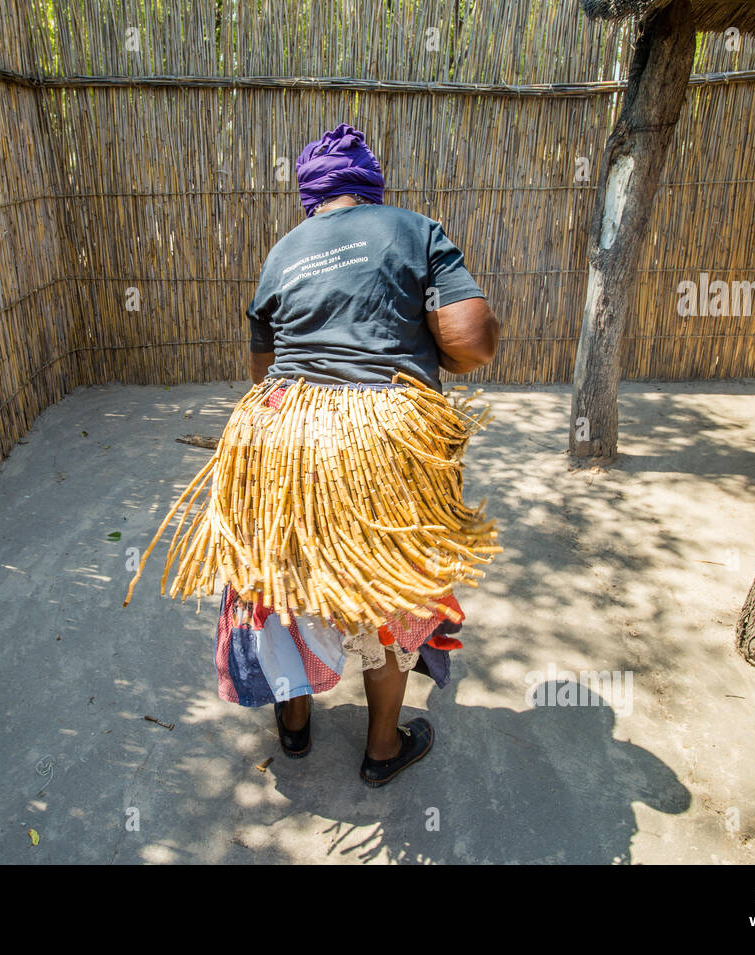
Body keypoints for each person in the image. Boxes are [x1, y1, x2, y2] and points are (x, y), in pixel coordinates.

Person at [222, 121, 499, 786]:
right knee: (389, 590)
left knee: (285, 576)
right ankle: (380, 749)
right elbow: (472, 342)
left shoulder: (283, 250)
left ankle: (293, 727)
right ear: (371, 188)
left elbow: (265, 373)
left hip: (283, 437)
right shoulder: (414, 229)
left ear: (309, 197)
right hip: (386, 438)